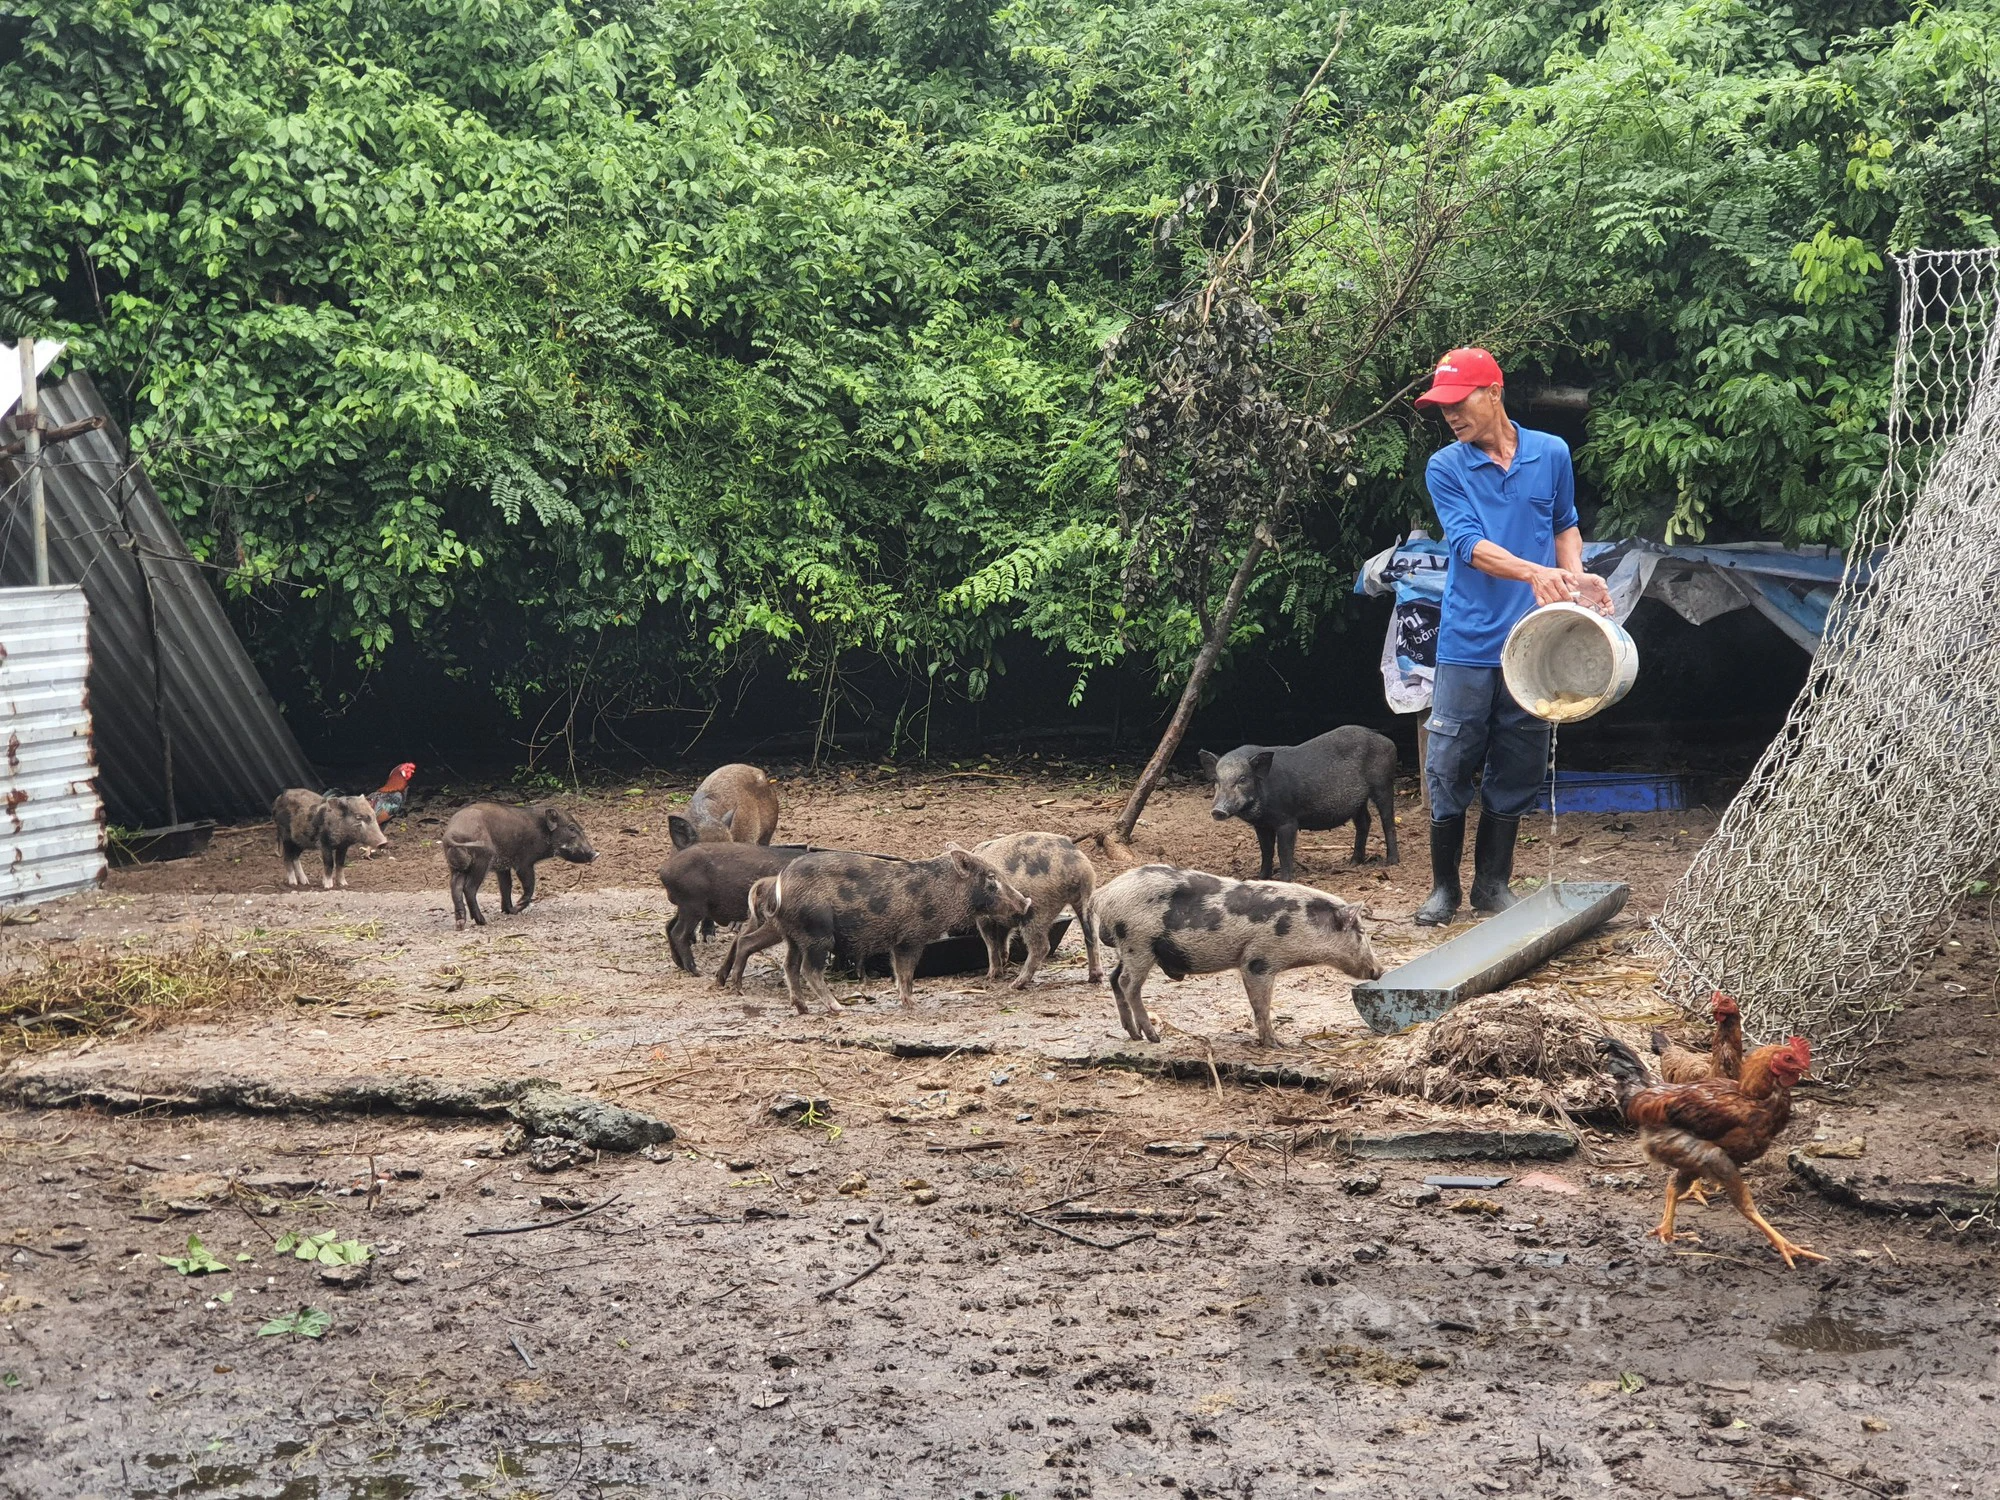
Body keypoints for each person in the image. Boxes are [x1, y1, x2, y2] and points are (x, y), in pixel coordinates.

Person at [1412, 348, 1613, 926]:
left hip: (1538, 641)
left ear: (1493, 393)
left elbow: (1564, 525)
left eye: (1459, 401)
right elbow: (1466, 545)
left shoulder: (1550, 453)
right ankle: (1443, 889)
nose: (1450, 414)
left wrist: (1574, 577)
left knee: (1520, 758)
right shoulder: (1446, 466)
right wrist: (1534, 572)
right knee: (1450, 760)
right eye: (1442, 406)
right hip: (1469, 641)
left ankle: (1491, 886)